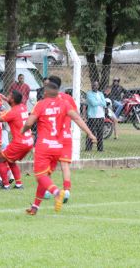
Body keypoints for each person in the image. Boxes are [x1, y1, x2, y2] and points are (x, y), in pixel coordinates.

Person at [21, 81, 89, 216]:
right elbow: (77, 117)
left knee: (40, 176)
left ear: (46, 91)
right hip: (58, 146)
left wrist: (23, 131)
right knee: (45, 176)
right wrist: (90, 133)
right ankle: (35, 207)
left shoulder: (41, 104)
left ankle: (57, 192)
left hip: (44, 146)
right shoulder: (65, 102)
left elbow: (29, 123)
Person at [48, 75, 97, 200]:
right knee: (65, 165)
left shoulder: (47, 100)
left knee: (48, 164)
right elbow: (77, 117)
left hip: (52, 138)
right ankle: (66, 191)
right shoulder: (67, 99)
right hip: (66, 136)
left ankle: (47, 189)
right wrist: (89, 133)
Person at [86, 81, 106, 152]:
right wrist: (100, 102)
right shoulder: (89, 94)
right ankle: (88, 148)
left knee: (100, 133)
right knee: (91, 132)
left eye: (96, 85)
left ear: (98, 86)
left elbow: (105, 104)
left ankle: (100, 149)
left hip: (101, 116)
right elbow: (93, 103)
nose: (94, 87)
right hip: (92, 116)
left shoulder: (100, 93)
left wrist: (99, 102)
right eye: (93, 85)